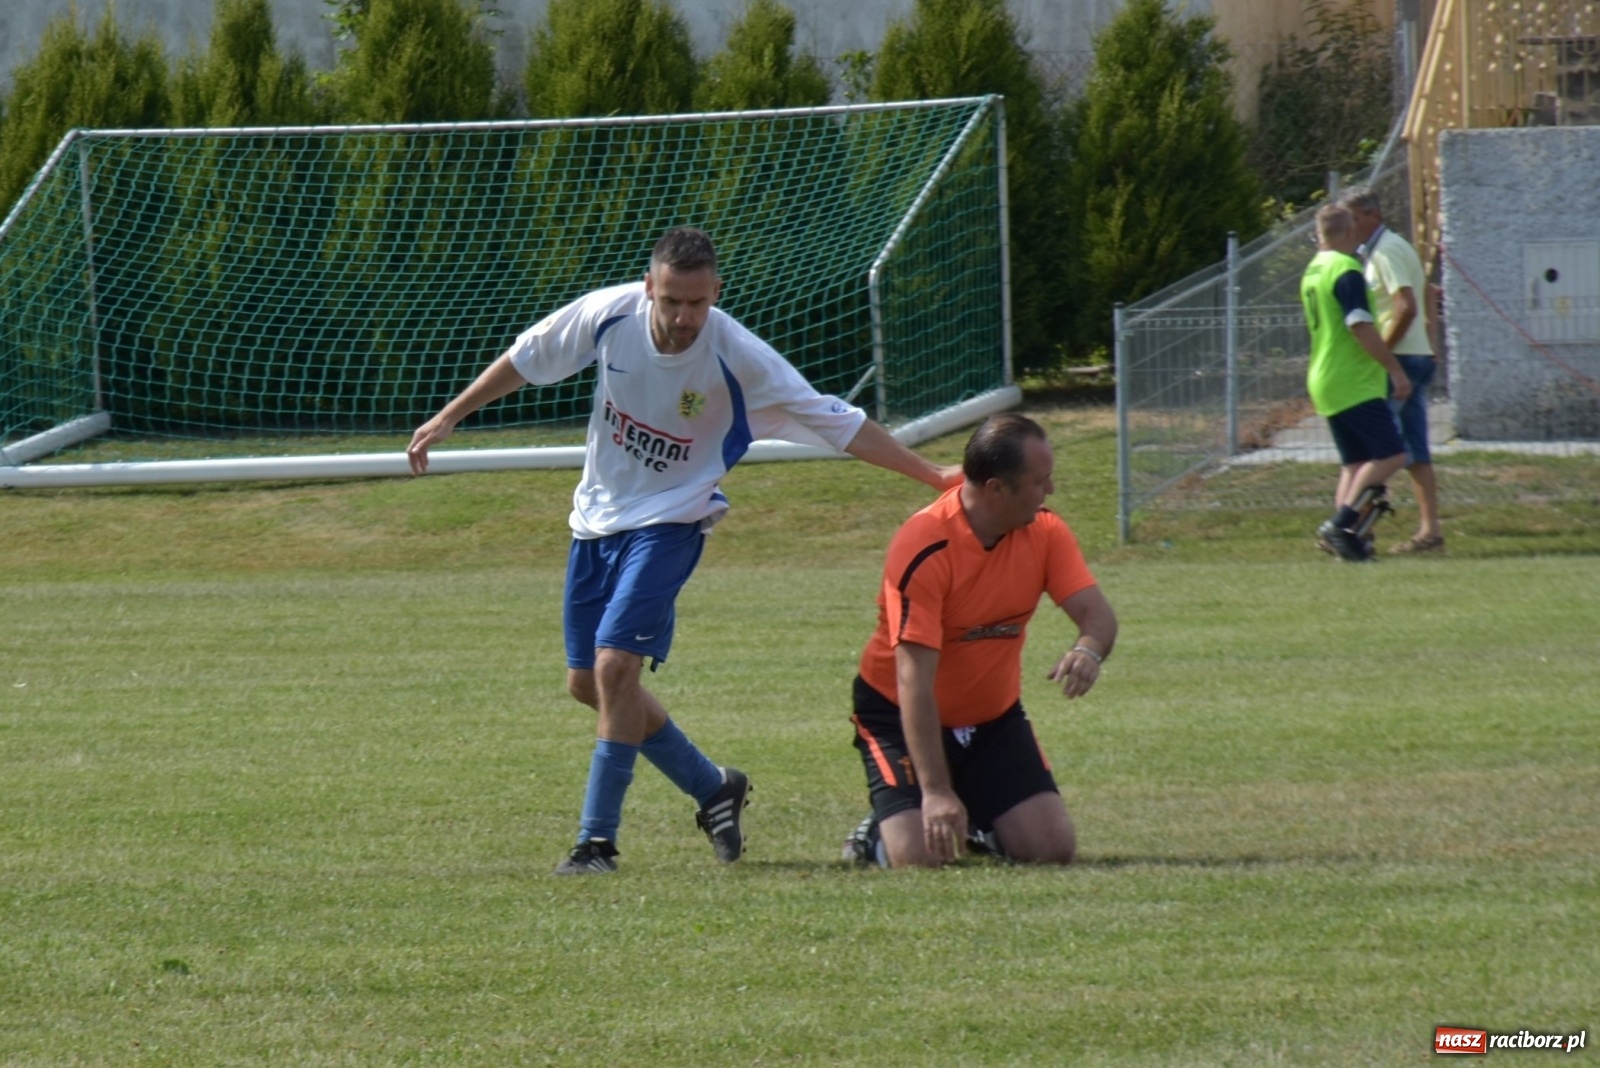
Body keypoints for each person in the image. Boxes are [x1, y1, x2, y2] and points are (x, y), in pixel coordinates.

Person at [407, 226, 961, 875]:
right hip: (596, 518)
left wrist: (932, 476)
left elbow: (835, 422)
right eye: (671, 300)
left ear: (715, 294)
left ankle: (595, 846)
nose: (682, 317)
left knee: (616, 670)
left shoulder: (738, 355)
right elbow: (528, 357)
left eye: (697, 303)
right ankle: (712, 786)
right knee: (587, 684)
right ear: (649, 287)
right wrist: (450, 416)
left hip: (673, 521)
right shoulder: (607, 315)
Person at [841, 413, 1118, 869]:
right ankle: (878, 831)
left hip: (992, 720)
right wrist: (934, 791)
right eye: (1039, 481)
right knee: (920, 859)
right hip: (897, 713)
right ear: (995, 489)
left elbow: (1098, 616)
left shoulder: (1045, 531)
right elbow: (914, 682)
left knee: (1052, 850)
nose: (1050, 491)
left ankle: (975, 817)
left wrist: (1088, 649)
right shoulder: (924, 547)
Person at [1300, 203, 1413, 563]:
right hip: (1352, 378)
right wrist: (1394, 368)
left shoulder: (1313, 269)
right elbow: (1359, 325)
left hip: (1324, 375)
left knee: (1355, 463)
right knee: (1392, 454)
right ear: (1349, 233)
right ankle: (1339, 525)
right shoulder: (1346, 269)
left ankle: (1345, 540)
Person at [1340, 186, 1445, 554]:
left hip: (1399, 360)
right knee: (1415, 450)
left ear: (1372, 216)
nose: (1348, 227)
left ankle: (1352, 531)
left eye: (1353, 219)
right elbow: (1429, 293)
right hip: (1415, 356)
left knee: (1378, 451)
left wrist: (1382, 353)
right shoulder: (1391, 248)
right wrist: (1430, 345)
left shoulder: (1385, 251)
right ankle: (1430, 532)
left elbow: (1406, 306)